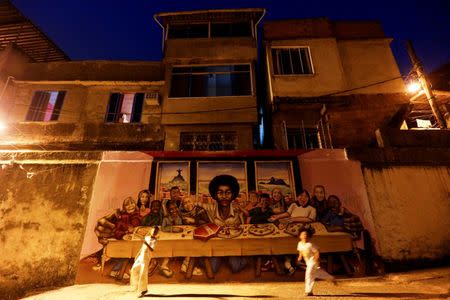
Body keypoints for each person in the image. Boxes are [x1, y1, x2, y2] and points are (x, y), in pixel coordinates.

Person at [200, 174, 248, 273]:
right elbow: (194, 207)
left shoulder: (238, 210)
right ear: (215, 195)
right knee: (212, 268)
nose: (224, 196)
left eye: (228, 193)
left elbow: (246, 223)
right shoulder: (210, 209)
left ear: (233, 194)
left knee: (235, 267)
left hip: (234, 246)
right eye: (220, 193)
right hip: (216, 246)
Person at [297, 229, 336, 296]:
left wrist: (316, 260)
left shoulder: (310, 245)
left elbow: (317, 252)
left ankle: (308, 291)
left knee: (308, 274)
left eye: (306, 234)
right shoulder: (299, 244)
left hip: (313, 261)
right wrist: (299, 258)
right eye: (303, 234)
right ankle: (330, 278)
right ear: (300, 236)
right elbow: (300, 251)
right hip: (308, 262)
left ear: (308, 236)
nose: (305, 235)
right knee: (316, 273)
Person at [130, 226, 159, 298]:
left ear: (157, 233)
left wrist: (145, 243)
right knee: (134, 269)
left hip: (146, 258)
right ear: (151, 230)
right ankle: (137, 286)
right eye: (153, 230)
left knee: (143, 273)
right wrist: (137, 255)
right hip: (141, 257)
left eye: (156, 231)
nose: (154, 232)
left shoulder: (155, 240)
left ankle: (142, 290)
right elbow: (142, 247)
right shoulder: (147, 237)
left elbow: (151, 249)